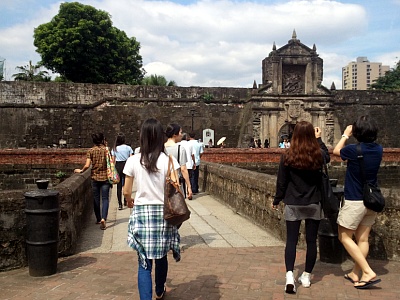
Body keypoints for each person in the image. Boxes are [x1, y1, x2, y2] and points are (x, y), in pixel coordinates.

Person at [123, 118, 181, 300]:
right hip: (163, 212)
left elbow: (126, 190)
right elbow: (176, 188)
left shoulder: (133, 160)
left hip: (142, 212)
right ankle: (159, 290)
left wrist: (129, 200)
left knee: (144, 261)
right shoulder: (169, 161)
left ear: (143, 137)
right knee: (161, 255)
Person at [273, 121, 329, 294]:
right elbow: (327, 156)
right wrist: (319, 140)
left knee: (291, 240)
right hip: (313, 202)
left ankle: (289, 276)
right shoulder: (317, 154)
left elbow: (281, 182)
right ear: (312, 135)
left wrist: (277, 199)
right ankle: (306, 275)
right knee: (311, 241)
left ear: (294, 135)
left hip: (293, 202)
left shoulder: (288, 156)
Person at [333, 115, 383, 289]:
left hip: (355, 200)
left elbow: (336, 151)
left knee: (344, 236)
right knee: (362, 239)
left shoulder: (353, 150)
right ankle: (356, 273)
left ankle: (367, 271)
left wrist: (346, 135)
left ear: (357, 132)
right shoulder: (379, 149)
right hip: (371, 200)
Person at [74, 133, 111, 230]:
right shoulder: (106, 150)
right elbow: (111, 163)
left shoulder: (91, 151)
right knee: (105, 198)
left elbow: (87, 165)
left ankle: (98, 218)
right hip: (105, 178)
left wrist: (81, 170)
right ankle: (104, 218)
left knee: (96, 199)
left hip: (95, 178)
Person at [164, 124, 192, 200]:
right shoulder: (180, 149)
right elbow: (183, 169)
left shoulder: (161, 148)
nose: (181, 135)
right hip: (176, 183)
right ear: (174, 134)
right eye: (180, 132)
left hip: (163, 184)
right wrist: (189, 186)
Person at [111, 133, 133, 210]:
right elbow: (131, 158)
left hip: (118, 166)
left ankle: (120, 204)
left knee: (119, 186)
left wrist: (112, 170)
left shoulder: (115, 148)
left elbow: (113, 161)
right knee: (126, 184)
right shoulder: (128, 148)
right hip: (126, 164)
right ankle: (125, 200)